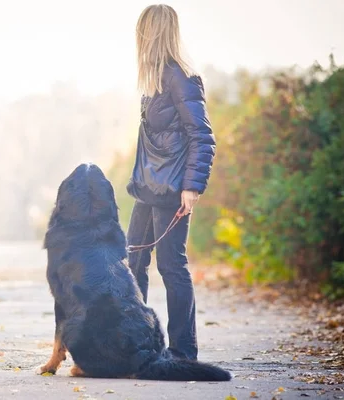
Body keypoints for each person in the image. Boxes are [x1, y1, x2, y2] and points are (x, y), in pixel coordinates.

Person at [126, 4, 215, 361]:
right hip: (148, 188)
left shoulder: (181, 76)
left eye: (142, 32)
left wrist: (192, 187)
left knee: (171, 265)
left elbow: (202, 135)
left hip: (174, 187)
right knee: (132, 261)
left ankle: (183, 351)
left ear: (153, 33)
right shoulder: (153, 79)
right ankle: (133, 341)